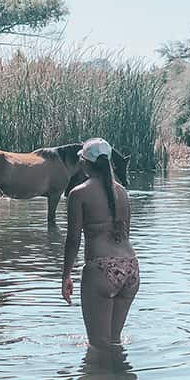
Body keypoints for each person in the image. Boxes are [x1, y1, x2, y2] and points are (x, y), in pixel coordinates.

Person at [62, 138, 139, 350]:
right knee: (114, 342)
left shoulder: (78, 194)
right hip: (131, 268)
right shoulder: (122, 192)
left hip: (101, 268)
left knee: (97, 346)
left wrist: (66, 275)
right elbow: (126, 233)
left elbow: (73, 240)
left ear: (85, 163)